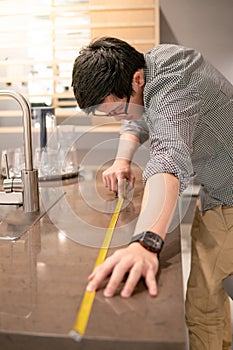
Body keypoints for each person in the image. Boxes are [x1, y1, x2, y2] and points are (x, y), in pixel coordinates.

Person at [72, 37, 233, 349]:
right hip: (217, 192)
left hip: (229, 198)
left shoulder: (173, 87)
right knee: (211, 296)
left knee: (202, 305)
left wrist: (145, 243)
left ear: (136, 79)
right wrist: (121, 160)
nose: (117, 118)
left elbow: (168, 157)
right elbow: (137, 118)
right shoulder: (152, 64)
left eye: (116, 109)